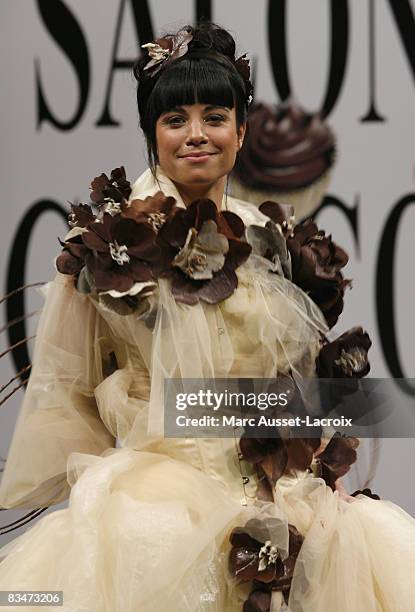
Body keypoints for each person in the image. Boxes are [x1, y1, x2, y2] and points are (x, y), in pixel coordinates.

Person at [0, 21, 414, 612]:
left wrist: (317, 469)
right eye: (175, 120)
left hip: (279, 498)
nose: (197, 135)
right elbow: (68, 399)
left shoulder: (271, 238)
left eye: (215, 118)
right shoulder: (103, 246)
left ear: (242, 133)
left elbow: (298, 387)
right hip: (152, 506)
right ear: (152, 134)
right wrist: (100, 500)